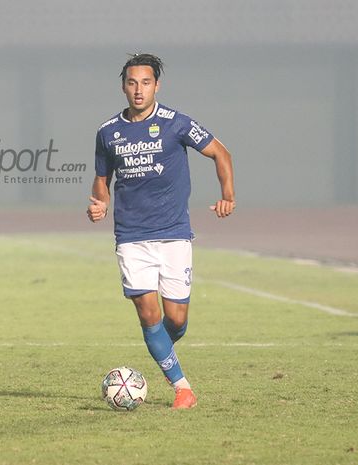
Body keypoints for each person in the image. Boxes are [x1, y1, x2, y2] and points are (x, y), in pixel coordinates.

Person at [87, 54, 236, 409]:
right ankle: (182, 388)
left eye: (146, 83)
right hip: (131, 237)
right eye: (132, 83)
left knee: (176, 320)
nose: (139, 90)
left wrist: (227, 196)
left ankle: (160, 350)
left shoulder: (175, 123)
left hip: (173, 234)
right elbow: (102, 178)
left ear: (157, 85)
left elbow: (221, 153)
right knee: (148, 314)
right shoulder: (108, 132)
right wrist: (99, 202)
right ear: (123, 86)